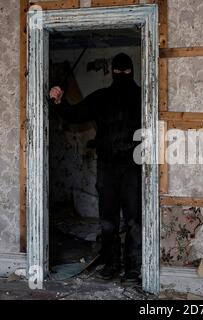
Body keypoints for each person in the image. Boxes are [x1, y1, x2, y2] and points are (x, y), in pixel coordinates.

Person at [49, 53, 142, 282]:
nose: (121, 75)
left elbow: (74, 115)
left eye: (124, 71)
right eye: (119, 71)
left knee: (131, 220)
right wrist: (59, 101)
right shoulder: (113, 97)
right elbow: (74, 114)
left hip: (131, 167)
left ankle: (130, 267)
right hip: (112, 167)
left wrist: (60, 102)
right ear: (114, 72)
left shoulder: (143, 97)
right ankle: (115, 265)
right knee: (112, 220)